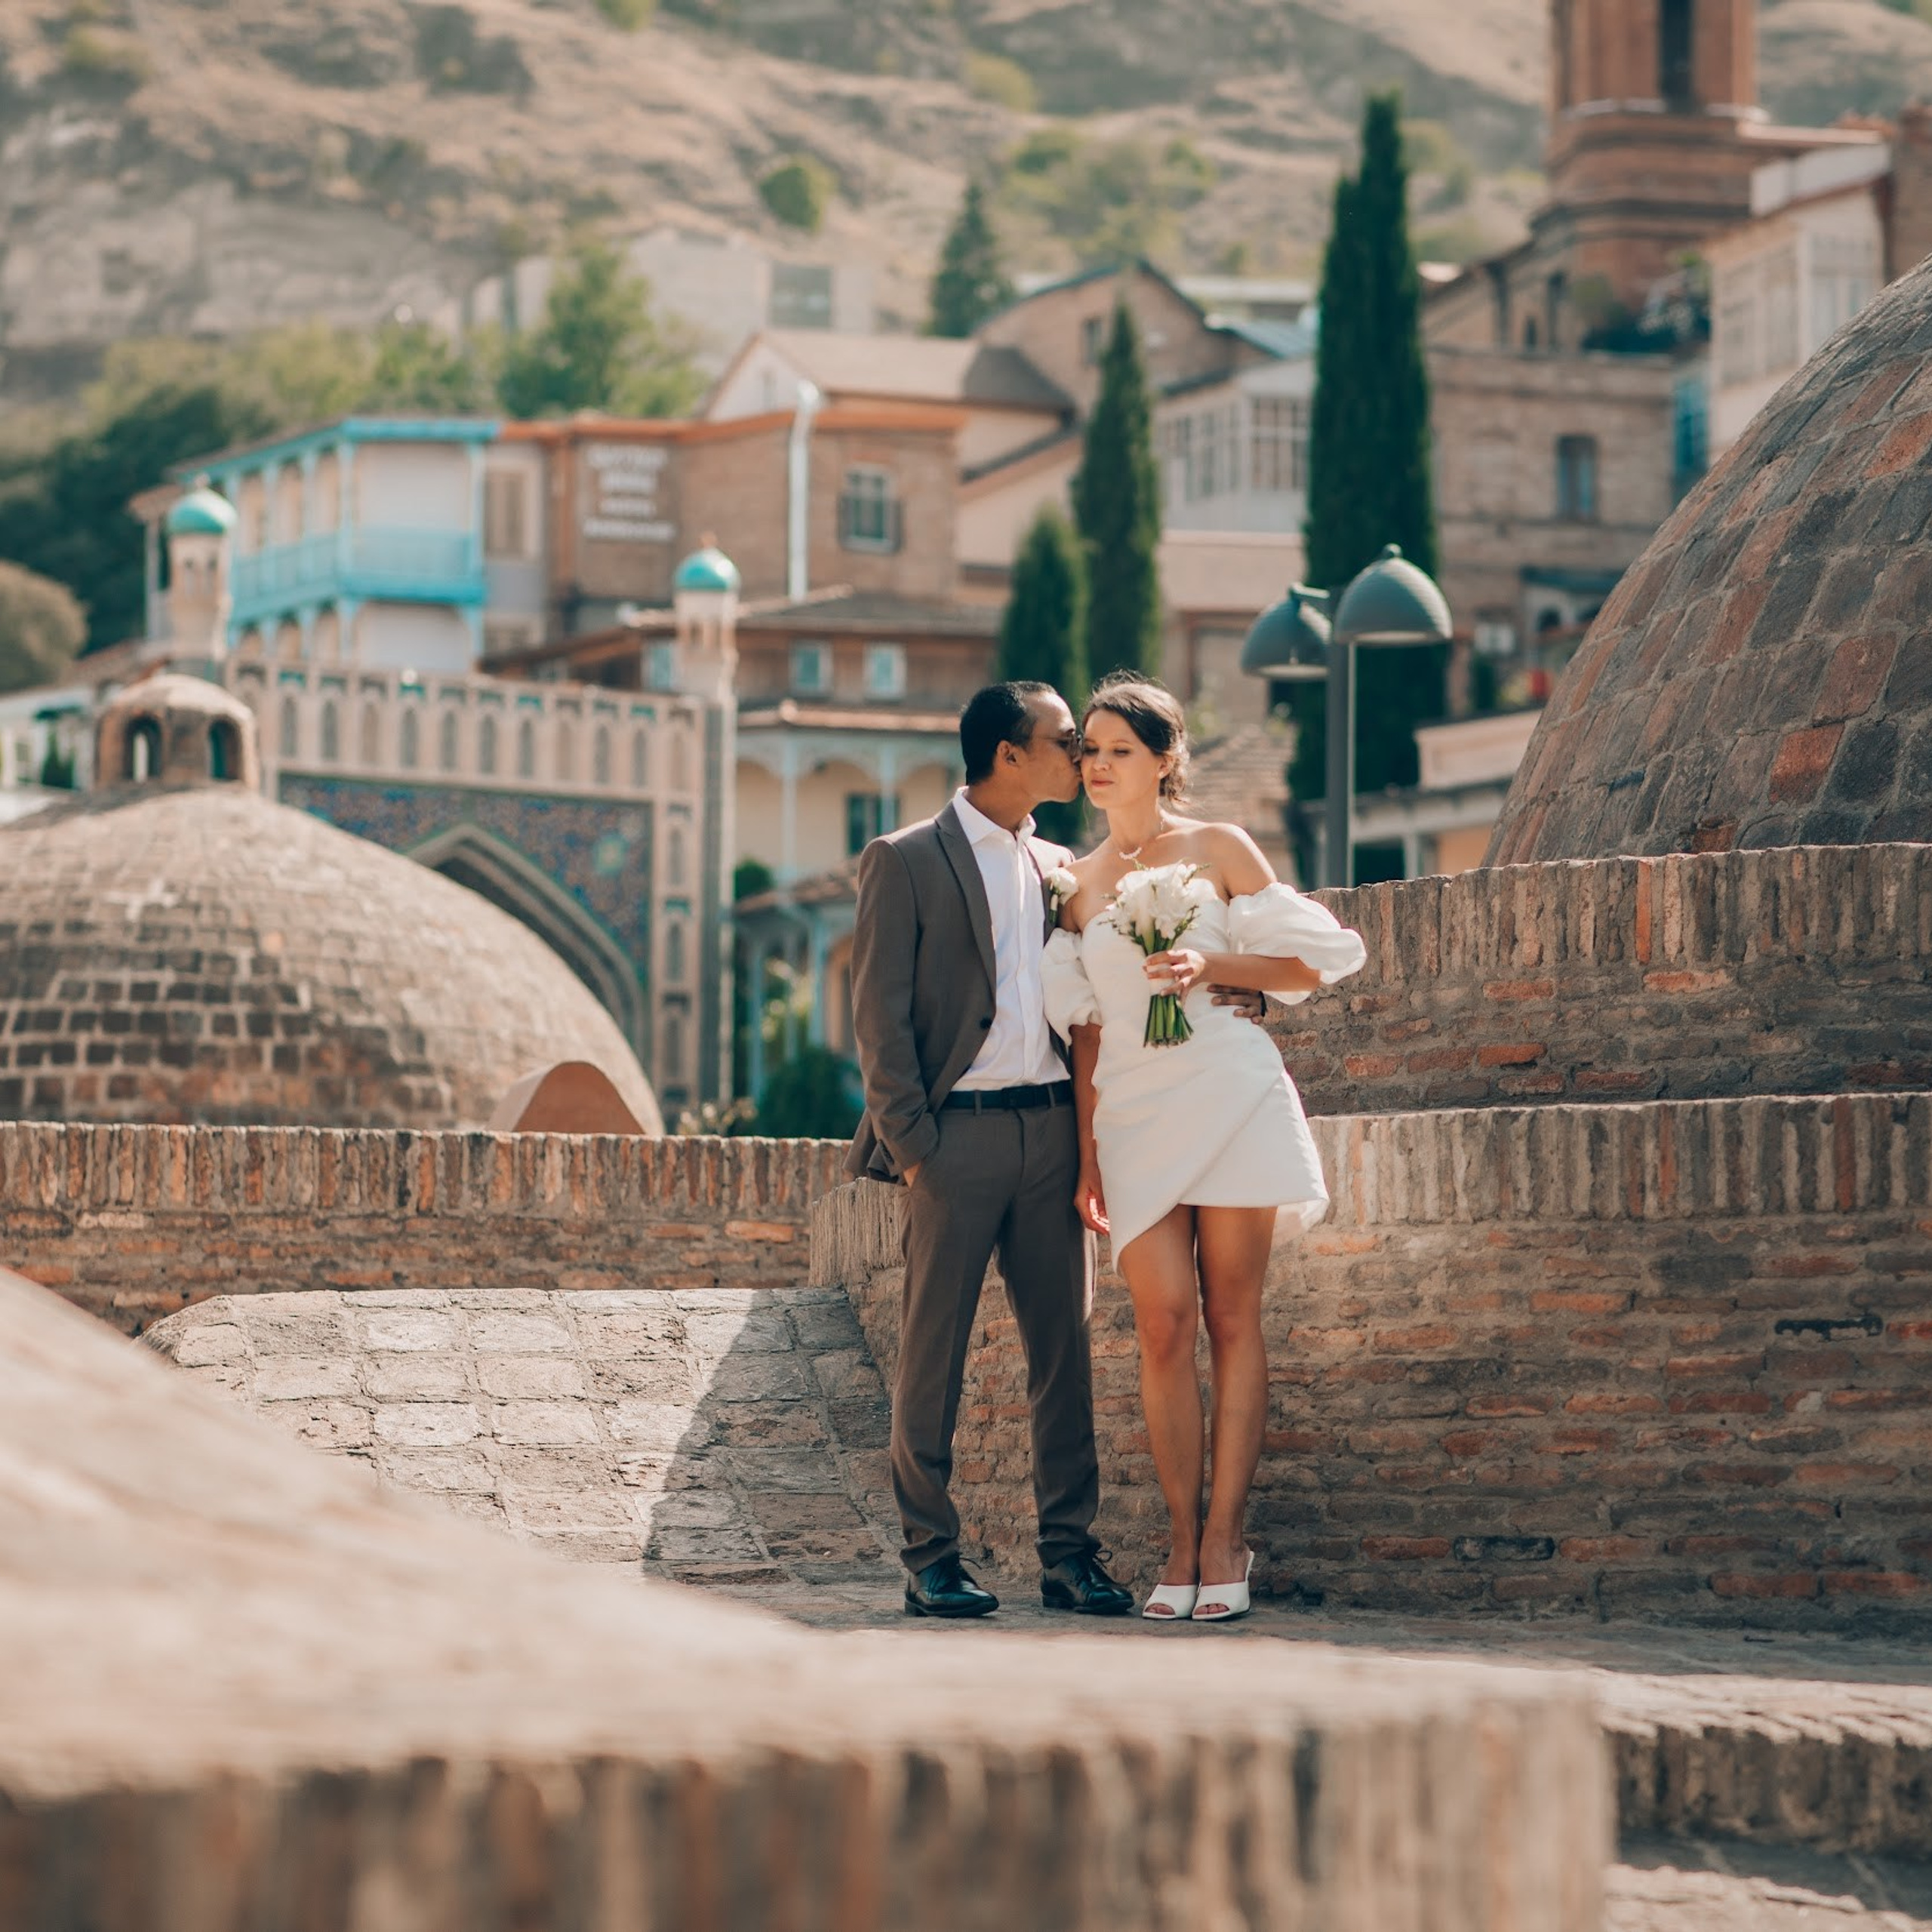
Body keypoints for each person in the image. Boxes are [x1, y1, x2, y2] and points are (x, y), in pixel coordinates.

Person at [846, 681, 1269, 1619]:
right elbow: (876, 1021)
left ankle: (1069, 1556)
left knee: (1063, 1360)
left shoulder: (1063, 868)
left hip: (1054, 1133)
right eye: (1065, 740)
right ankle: (931, 1558)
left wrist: (1246, 986)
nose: (1082, 756)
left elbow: (1118, 982)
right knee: (933, 1357)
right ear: (1008, 754)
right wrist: (917, 1148)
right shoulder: (906, 858)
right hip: (952, 1140)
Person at [1042, 673, 1366, 1623]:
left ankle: (1224, 1540)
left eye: (1118, 751)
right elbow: (1086, 1034)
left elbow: (1313, 962)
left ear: (1163, 759)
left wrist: (1211, 964)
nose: (1099, 767)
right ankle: (1177, 1540)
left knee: (1232, 1317)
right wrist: (1087, 1158)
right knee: (1162, 1324)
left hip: (1231, 1092)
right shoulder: (1075, 885)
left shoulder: (1219, 847)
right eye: (1088, 751)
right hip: (1132, 1116)